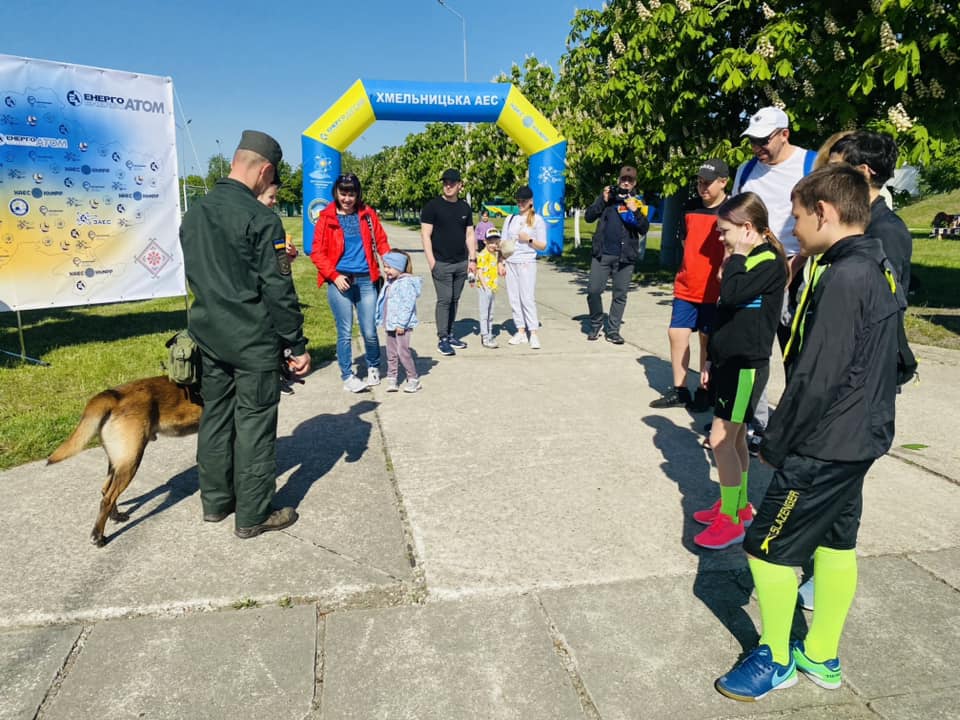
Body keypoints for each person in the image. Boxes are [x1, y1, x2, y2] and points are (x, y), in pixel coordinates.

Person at [715, 165, 900, 702]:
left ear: (825, 212)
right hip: (861, 437)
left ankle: (775, 658)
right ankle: (821, 654)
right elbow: (901, 356)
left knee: (767, 546)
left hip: (825, 444)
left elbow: (818, 376)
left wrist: (777, 444)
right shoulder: (877, 262)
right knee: (837, 542)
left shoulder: (845, 276)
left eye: (797, 217)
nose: (793, 229)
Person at [179, 129, 310, 539]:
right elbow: (278, 290)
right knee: (254, 423)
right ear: (265, 170)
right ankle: (253, 514)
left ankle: (215, 503)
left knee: (215, 417)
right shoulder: (261, 219)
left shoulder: (195, 213)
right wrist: (296, 343)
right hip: (252, 341)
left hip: (207, 335)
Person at [691, 192, 787, 550]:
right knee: (733, 438)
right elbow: (726, 314)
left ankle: (731, 521)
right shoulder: (748, 258)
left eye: (724, 230)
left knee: (720, 440)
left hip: (746, 366)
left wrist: (736, 258)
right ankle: (738, 505)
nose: (720, 238)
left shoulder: (766, 261)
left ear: (748, 229)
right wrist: (711, 361)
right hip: (729, 363)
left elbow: (730, 294)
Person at [733, 106, 816, 452]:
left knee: (797, 354)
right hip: (756, 271)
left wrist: (793, 268)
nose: (757, 148)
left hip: (799, 269)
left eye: (763, 141)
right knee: (753, 355)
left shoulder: (812, 165)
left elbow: (824, 221)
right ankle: (756, 424)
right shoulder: (746, 171)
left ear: (785, 133)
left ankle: (797, 427)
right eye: (752, 141)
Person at [650, 159, 729, 409]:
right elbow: (685, 241)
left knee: (707, 339)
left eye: (708, 182)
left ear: (724, 182)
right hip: (686, 284)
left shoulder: (731, 209)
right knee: (677, 333)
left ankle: (705, 390)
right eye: (699, 182)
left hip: (714, 288)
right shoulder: (689, 207)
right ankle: (680, 389)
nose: (702, 187)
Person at [310, 172, 392, 393]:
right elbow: (316, 252)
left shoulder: (367, 215)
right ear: (336, 193)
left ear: (358, 194)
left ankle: (374, 365)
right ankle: (348, 375)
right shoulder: (326, 217)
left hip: (366, 280)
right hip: (339, 281)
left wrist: (391, 264)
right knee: (344, 331)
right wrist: (334, 276)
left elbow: (382, 241)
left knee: (369, 329)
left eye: (351, 194)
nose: (347, 198)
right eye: (343, 193)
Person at [829, 131, 912, 295]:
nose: (827, 175)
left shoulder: (886, 230)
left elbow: (884, 300)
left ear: (862, 172)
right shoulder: (851, 220)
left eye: (834, 168)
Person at [584, 165, 650, 344]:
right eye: (623, 179)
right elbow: (588, 217)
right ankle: (596, 322)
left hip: (625, 255)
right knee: (593, 290)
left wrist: (634, 210)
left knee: (620, 294)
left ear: (634, 183)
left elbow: (644, 228)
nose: (626, 183)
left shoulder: (638, 201)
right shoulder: (608, 198)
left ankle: (613, 330)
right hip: (602, 254)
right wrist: (603, 201)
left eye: (630, 180)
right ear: (618, 180)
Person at [420, 168, 476, 357]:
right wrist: (431, 262)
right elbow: (426, 235)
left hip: (461, 262)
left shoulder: (465, 208)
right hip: (441, 263)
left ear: (460, 185)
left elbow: (470, 234)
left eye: (452, 182)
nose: (448, 185)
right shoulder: (432, 206)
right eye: (445, 182)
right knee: (444, 300)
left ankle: (451, 334)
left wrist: (473, 259)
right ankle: (443, 338)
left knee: (454, 299)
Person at [258, 178, 300, 395]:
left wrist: (291, 254)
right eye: (270, 197)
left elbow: (280, 258)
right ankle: (272, 377)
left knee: (279, 337)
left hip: (276, 288)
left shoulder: (272, 221)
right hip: (263, 294)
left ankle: (280, 374)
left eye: (275, 197)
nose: (274, 201)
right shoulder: (256, 223)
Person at [501, 185, 548, 349]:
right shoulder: (510, 219)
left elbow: (542, 245)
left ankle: (533, 332)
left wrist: (528, 239)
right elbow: (503, 243)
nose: (521, 203)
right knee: (514, 298)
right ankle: (520, 330)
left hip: (527, 262)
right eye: (519, 200)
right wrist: (501, 262)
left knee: (526, 298)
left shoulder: (537, 220)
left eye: (524, 200)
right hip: (511, 262)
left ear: (531, 201)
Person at [376, 250, 422, 393]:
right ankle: (392, 378)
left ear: (399, 267)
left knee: (403, 352)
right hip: (390, 323)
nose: (386, 270)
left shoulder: (406, 283)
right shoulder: (390, 282)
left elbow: (407, 305)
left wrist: (401, 324)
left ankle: (413, 378)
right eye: (385, 266)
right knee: (391, 352)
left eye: (389, 267)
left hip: (401, 326)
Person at [476, 227, 504, 349]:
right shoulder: (483, 255)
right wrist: (485, 287)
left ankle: (490, 332)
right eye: (491, 242)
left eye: (496, 242)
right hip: (484, 287)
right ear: (485, 241)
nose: (493, 245)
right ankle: (485, 336)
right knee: (484, 313)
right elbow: (480, 272)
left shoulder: (495, 254)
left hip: (492, 287)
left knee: (491, 313)